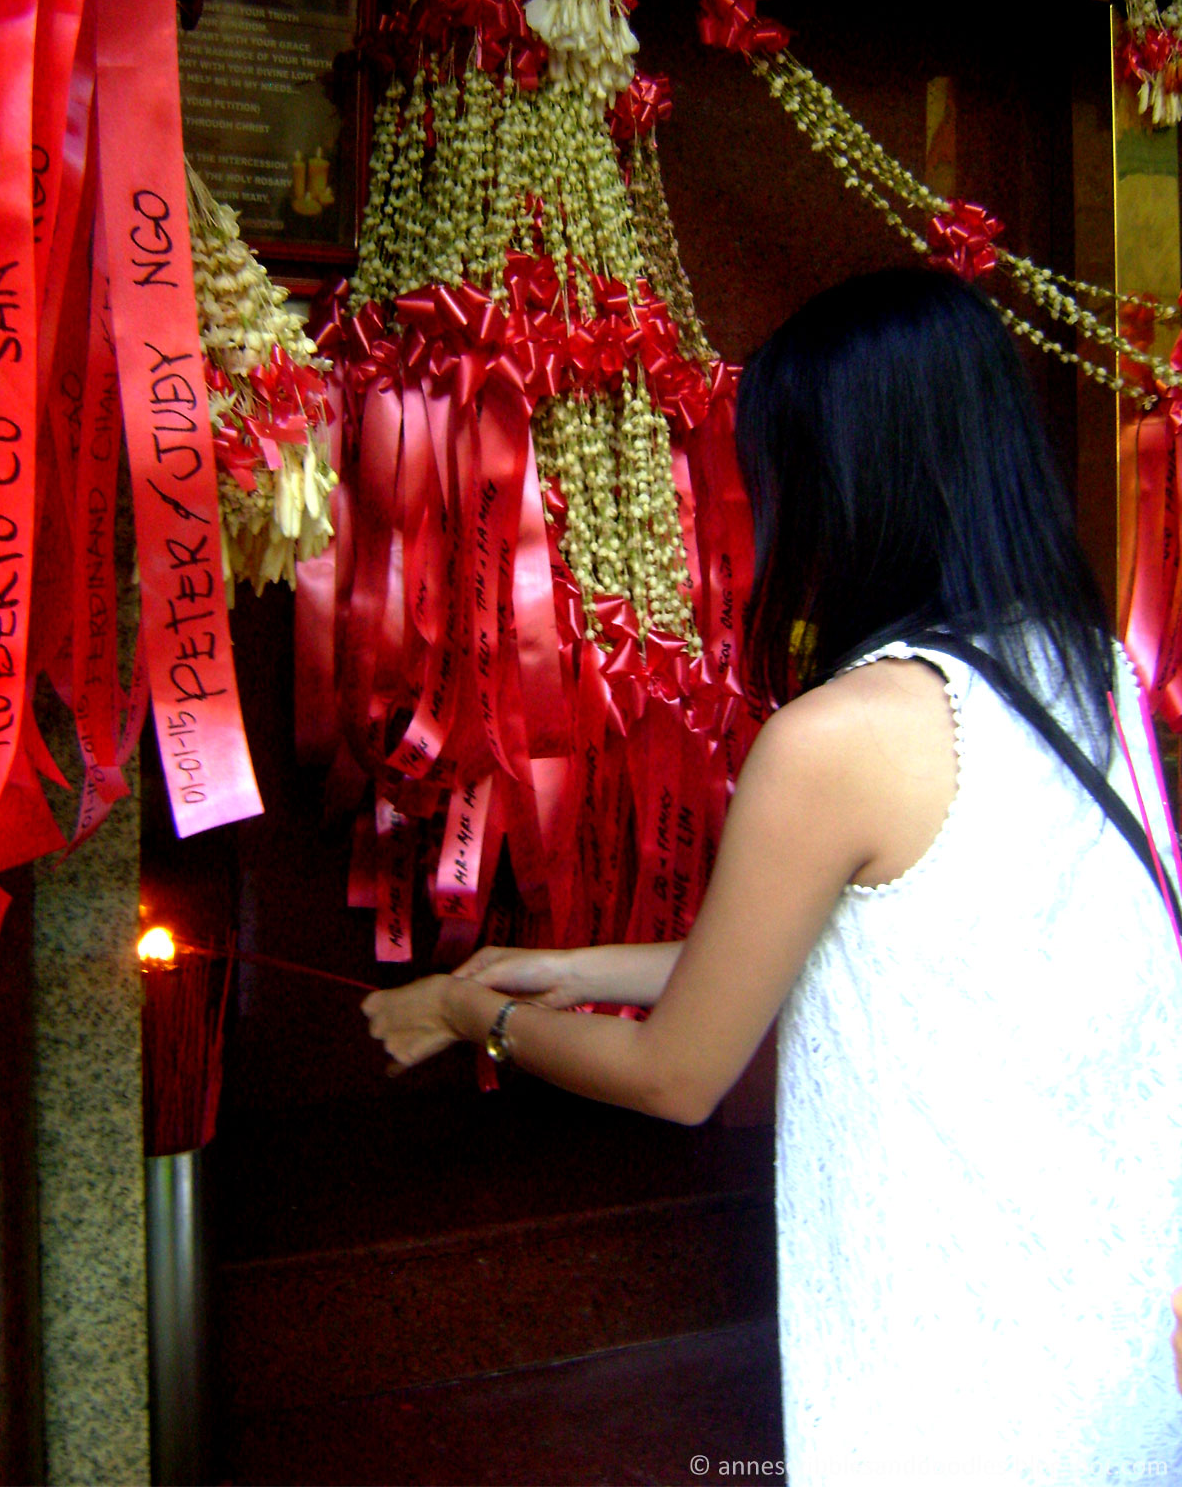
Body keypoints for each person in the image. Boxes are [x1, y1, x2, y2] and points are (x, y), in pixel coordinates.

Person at [362, 268, 1182, 1485]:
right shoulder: (1094, 676)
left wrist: (467, 1013)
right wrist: (555, 966)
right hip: (1105, 1363)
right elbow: (869, 955)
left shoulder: (847, 733)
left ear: (851, 484)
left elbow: (679, 1071)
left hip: (950, 1393)